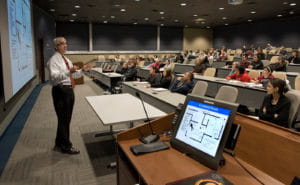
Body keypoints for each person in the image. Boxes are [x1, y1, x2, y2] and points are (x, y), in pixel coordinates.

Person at [48, 37, 90, 154]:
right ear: (56, 46)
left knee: (64, 119)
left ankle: (58, 143)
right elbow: (53, 78)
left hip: (68, 91)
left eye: (66, 43)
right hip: (60, 91)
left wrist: (83, 70)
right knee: (64, 119)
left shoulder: (66, 59)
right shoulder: (53, 60)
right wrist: (69, 71)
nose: (65, 46)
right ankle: (66, 146)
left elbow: (73, 76)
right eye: (62, 44)